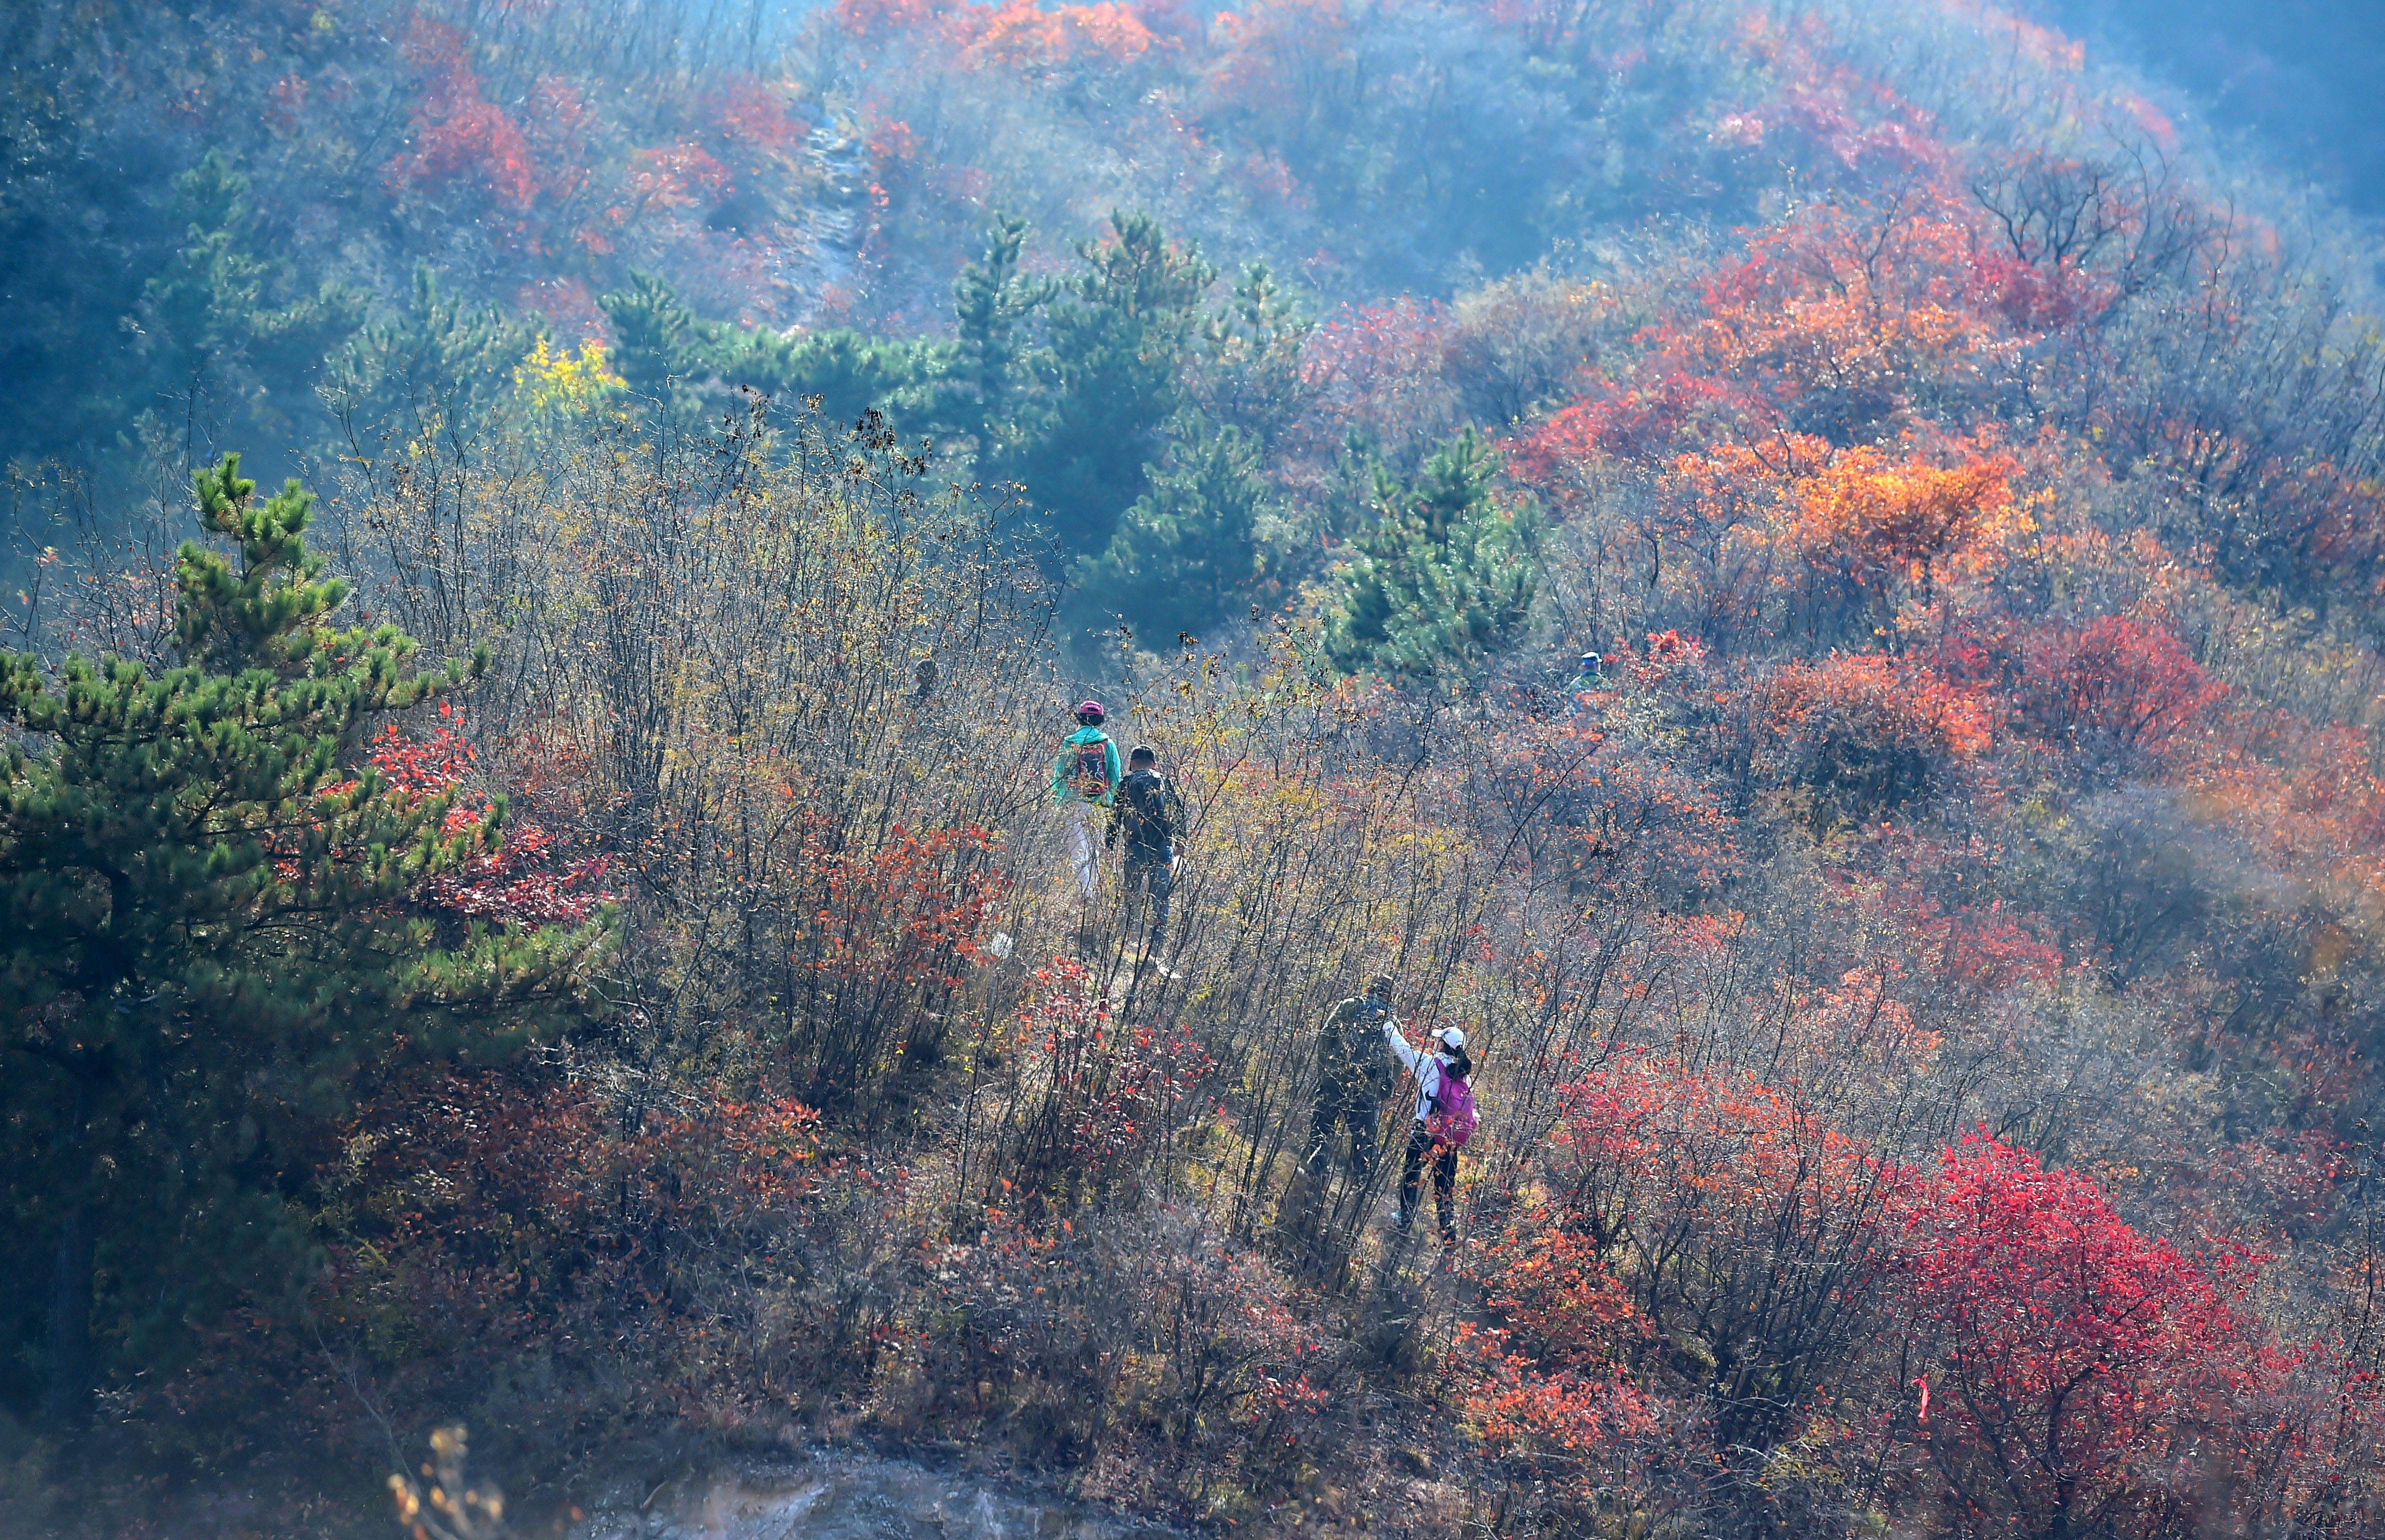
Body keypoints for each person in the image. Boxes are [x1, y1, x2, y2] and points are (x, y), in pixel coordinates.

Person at [1382, 1018, 1475, 1245]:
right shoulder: (1465, 1077)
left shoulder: (1427, 1064)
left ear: (1442, 1044)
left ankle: (1404, 1220)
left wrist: (1387, 1025)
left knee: (1411, 1176)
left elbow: (1401, 1047)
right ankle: (1449, 1234)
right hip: (1450, 1139)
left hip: (1425, 1131)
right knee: (1444, 1188)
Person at [1306, 974, 1399, 1183]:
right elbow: (1399, 1060)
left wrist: (1326, 1069)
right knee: (1364, 1141)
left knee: (1322, 1128)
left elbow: (1325, 1036)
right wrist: (1385, 1089)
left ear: (1369, 989)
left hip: (1335, 1078)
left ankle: (1316, 1174)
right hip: (1367, 1090)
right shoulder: (1392, 1022)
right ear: (1389, 996)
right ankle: (1360, 1188)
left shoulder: (1350, 1006)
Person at [1107, 744, 1183, 964]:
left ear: (1131, 765)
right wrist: (1181, 840)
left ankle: (1129, 938)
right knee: (1161, 898)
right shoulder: (1166, 783)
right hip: (1162, 848)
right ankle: (1156, 947)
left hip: (1135, 847)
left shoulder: (1126, 784)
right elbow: (1178, 811)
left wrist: (1109, 843)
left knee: (1132, 892)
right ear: (1155, 765)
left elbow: (1115, 816)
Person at [1051, 700, 1121, 904]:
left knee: (1078, 850)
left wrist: (1059, 800)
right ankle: (1094, 896)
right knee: (1094, 850)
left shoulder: (1069, 743)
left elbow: (1060, 775)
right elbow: (1115, 777)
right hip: (1099, 805)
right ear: (1100, 720)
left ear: (1079, 718)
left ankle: (1086, 894)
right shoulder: (1108, 745)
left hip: (1074, 804)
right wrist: (1111, 802)